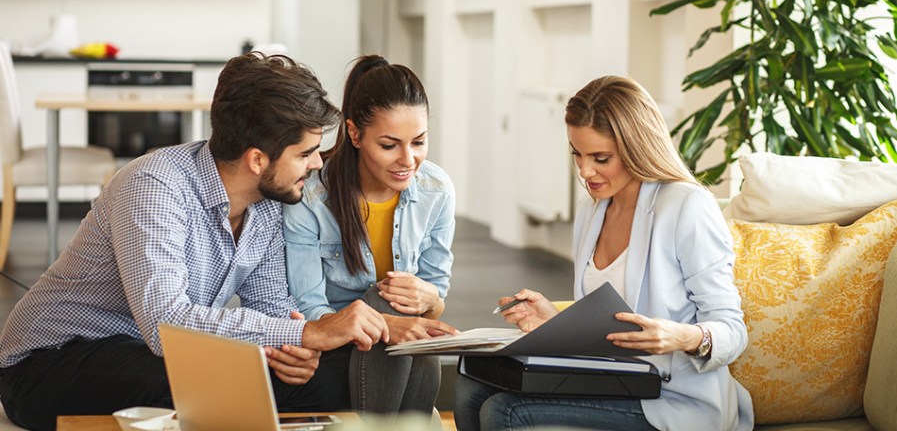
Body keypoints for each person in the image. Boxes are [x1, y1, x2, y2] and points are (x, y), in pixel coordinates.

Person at [0, 52, 390, 431]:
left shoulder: (269, 203)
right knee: (210, 381)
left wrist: (294, 352)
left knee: (320, 380)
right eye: (305, 153)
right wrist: (305, 334)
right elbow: (164, 324)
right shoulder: (154, 186)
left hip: (153, 353)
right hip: (48, 362)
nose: (318, 163)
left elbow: (273, 308)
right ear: (257, 160)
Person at [454, 76, 753, 431]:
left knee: (505, 411)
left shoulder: (686, 206)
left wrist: (682, 337)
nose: (584, 171)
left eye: (600, 158)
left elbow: (733, 329)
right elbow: (607, 319)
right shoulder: (593, 210)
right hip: (613, 380)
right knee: (470, 387)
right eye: (577, 154)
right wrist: (554, 320)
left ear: (637, 147)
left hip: (673, 398)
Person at [283, 55, 457, 417]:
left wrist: (429, 298)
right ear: (355, 133)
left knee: (408, 321)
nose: (408, 159)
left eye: (419, 142)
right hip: (336, 345)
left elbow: (434, 301)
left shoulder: (436, 191)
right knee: (384, 301)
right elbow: (309, 309)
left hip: (401, 351)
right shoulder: (312, 198)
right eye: (390, 145)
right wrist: (385, 323)